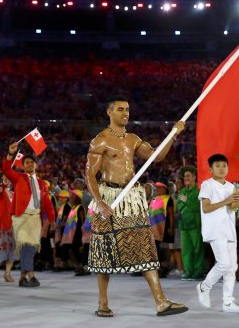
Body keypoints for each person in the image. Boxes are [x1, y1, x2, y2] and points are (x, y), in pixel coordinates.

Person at [85, 96, 188, 317]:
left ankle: (161, 301)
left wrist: (174, 134)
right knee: (104, 249)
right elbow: (90, 175)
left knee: (144, 245)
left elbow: (157, 157)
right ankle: (103, 303)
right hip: (109, 197)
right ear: (109, 112)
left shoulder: (133, 139)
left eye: (128, 110)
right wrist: (100, 202)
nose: (125, 113)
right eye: (120, 109)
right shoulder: (100, 140)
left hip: (132, 198)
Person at [196, 154, 239, 313]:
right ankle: (205, 286)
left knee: (232, 267)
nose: (221, 168)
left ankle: (228, 302)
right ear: (210, 169)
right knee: (223, 263)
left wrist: (237, 200)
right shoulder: (207, 185)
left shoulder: (232, 186)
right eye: (217, 165)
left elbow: (232, 209)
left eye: (224, 165)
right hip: (215, 229)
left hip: (229, 229)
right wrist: (227, 200)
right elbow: (206, 208)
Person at [2, 145, 55, 288]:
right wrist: (10, 154)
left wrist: (51, 219)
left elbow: (47, 203)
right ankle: (31, 275)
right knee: (26, 246)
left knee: (31, 247)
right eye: (26, 163)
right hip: (21, 217)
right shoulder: (18, 178)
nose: (29, 164)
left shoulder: (42, 183)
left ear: (35, 165)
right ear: (23, 166)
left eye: (32, 162)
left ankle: (22, 277)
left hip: (35, 218)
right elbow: (6, 170)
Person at [177, 166, 204, 281]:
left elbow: (199, 207)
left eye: (188, 176)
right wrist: (185, 205)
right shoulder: (182, 191)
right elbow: (179, 205)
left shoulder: (199, 190)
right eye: (185, 176)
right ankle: (189, 270)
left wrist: (186, 201)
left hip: (196, 224)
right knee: (186, 250)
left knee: (198, 248)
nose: (186, 178)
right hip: (184, 225)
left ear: (194, 177)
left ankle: (199, 270)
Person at [0, 177, 15, 283]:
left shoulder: (13, 193)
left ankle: (7, 273)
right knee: (4, 248)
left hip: (12, 223)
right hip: (0, 223)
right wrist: (3, 184)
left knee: (12, 248)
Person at [148, 181, 174, 278]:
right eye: (157, 188)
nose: (157, 189)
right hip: (153, 227)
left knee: (162, 248)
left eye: (159, 188)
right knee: (156, 248)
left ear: (164, 188)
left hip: (163, 226)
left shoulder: (168, 199)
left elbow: (171, 214)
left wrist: (171, 227)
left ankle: (164, 267)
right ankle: (158, 267)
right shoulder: (154, 199)